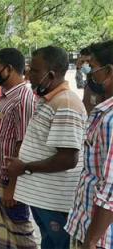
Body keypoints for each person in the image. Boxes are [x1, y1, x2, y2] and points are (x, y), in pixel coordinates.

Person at [5, 46, 87, 249]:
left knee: (58, 244)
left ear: (50, 74)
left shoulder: (66, 103)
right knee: (49, 242)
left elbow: (68, 158)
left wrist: (24, 167)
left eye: (34, 70)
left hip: (56, 200)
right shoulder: (49, 99)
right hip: (43, 197)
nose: (28, 75)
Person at [0, 48, 36, 248]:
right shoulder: (5, 96)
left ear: (9, 69)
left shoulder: (23, 98)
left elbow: (23, 144)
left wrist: (13, 187)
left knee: (19, 234)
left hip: (6, 181)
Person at [66, 40, 113, 249]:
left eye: (93, 68)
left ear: (109, 71)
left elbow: (111, 189)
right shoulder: (104, 111)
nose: (89, 73)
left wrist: (91, 241)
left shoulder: (111, 119)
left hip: (99, 238)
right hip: (89, 227)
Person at [79, 46, 106, 115]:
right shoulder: (89, 84)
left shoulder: (104, 85)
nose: (85, 65)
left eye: (88, 61)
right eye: (82, 62)